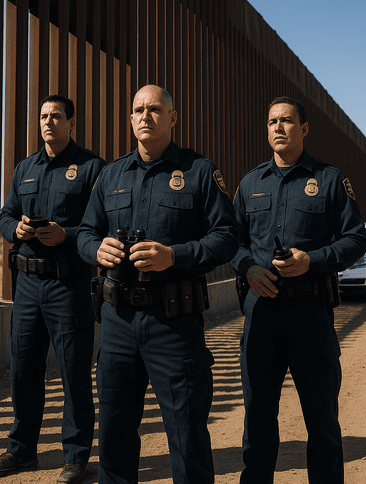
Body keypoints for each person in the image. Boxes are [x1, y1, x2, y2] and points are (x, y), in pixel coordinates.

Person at [77, 84, 239, 484]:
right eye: (138, 110)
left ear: (172, 118)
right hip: (117, 323)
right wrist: (96, 249)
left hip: (174, 324)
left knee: (186, 434)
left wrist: (175, 256)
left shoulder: (199, 171)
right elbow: (84, 232)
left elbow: (226, 237)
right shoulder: (111, 174)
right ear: (130, 120)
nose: (145, 116)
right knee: (114, 433)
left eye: (154, 109)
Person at [231, 96, 366, 483]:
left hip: (310, 314)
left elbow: (355, 239)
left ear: (303, 129)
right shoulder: (250, 182)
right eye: (272, 121)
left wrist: (313, 260)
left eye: (287, 121)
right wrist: (248, 268)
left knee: (322, 421)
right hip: (262, 314)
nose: (278, 127)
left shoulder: (328, 179)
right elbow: (230, 240)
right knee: (257, 419)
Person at [0, 95, 104, 483]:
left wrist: (65, 235)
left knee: (73, 372)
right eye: (43, 116)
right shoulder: (25, 168)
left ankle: (75, 457)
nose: (48, 122)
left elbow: (99, 228)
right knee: (23, 369)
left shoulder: (91, 168)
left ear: (72, 122)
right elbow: (4, 215)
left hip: (68, 284)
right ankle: (22, 451)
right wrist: (14, 230)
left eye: (56, 116)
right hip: (27, 286)